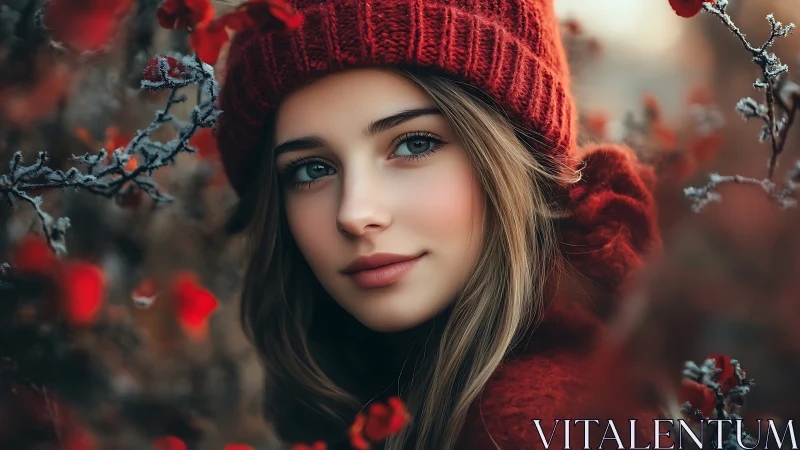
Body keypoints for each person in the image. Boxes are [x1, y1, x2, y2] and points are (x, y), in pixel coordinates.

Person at [214, 0, 663, 449]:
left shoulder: (531, 426)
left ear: (510, 154)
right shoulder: (388, 386)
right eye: (311, 170)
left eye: (414, 144)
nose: (354, 213)